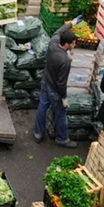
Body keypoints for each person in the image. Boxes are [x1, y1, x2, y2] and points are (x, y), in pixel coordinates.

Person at [34, 17, 80, 149]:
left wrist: (71, 23)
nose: (74, 45)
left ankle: (38, 133)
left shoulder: (53, 43)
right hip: (55, 89)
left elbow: (59, 31)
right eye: (73, 43)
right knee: (60, 114)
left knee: (42, 107)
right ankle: (62, 138)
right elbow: (61, 83)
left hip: (46, 81)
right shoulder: (65, 60)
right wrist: (64, 97)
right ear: (67, 44)